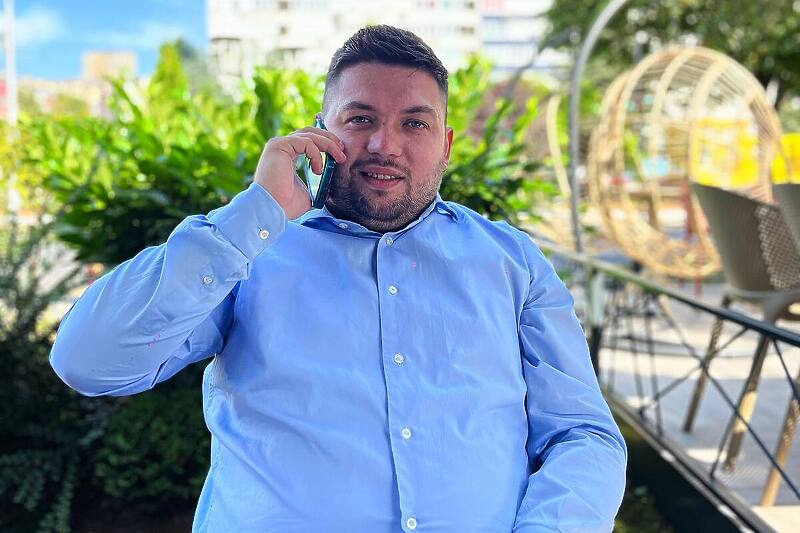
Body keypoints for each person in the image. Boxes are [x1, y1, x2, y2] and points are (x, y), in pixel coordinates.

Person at [51, 25, 626, 533]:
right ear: (320, 130)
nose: (384, 145)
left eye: (414, 123)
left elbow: (583, 434)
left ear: (446, 145)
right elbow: (88, 362)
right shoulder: (249, 252)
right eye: (361, 119)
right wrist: (255, 212)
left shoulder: (512, 261)